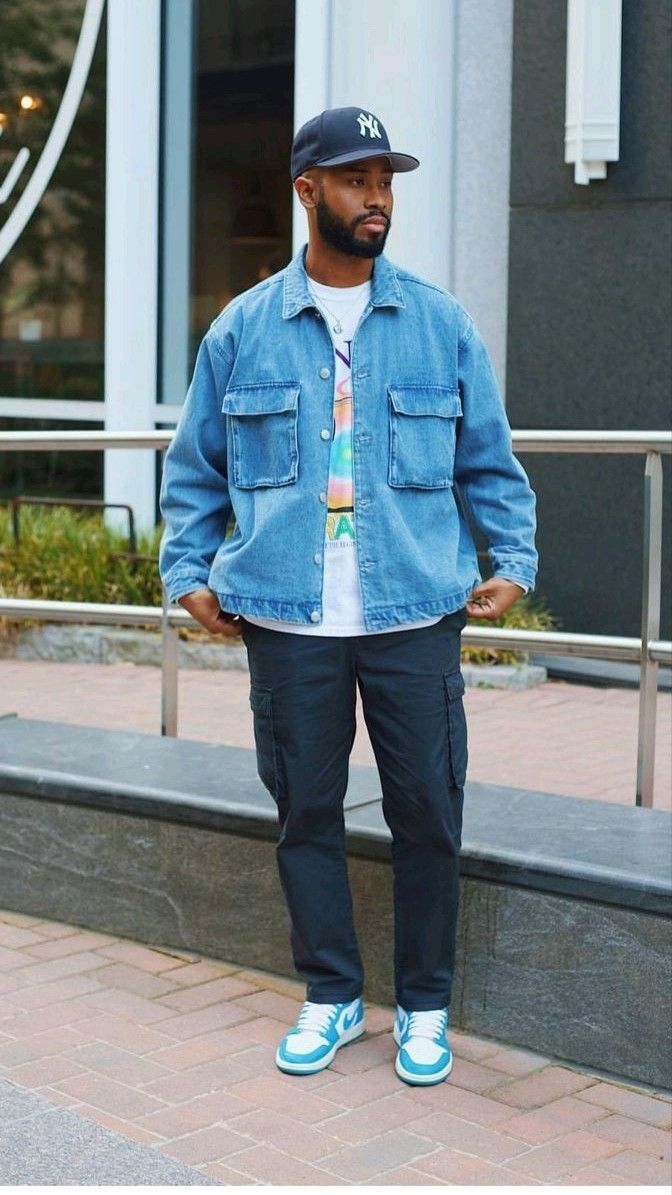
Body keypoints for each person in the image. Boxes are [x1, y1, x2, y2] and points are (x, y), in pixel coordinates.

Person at [159, 107, 537, 1087]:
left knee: (428, 812)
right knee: (306, 814)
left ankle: (424, 1005)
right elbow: (195, 468)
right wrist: (187, 571)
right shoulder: (242, 329)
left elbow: (489, 461)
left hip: (414, 609)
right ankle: (330, 993)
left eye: (386, 182)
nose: (378, 199)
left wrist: (513, 557)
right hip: (287, 615)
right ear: (307, 191)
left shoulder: (440, 323)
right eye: (357, 180)